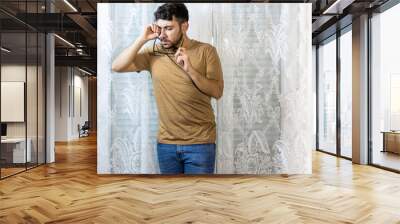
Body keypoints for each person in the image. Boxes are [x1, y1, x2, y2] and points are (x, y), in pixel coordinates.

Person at [112, 3, 223, 174]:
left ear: (184, 26)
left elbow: (217, 91)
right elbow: (117, 66)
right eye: (160, 28)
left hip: (200, 144)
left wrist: (190, 70)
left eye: (169, 28)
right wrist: (141, 39)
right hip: (166, 145)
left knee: (198, 197)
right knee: (171, 198)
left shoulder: (206, 51)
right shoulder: (153, 53)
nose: (162, 35)